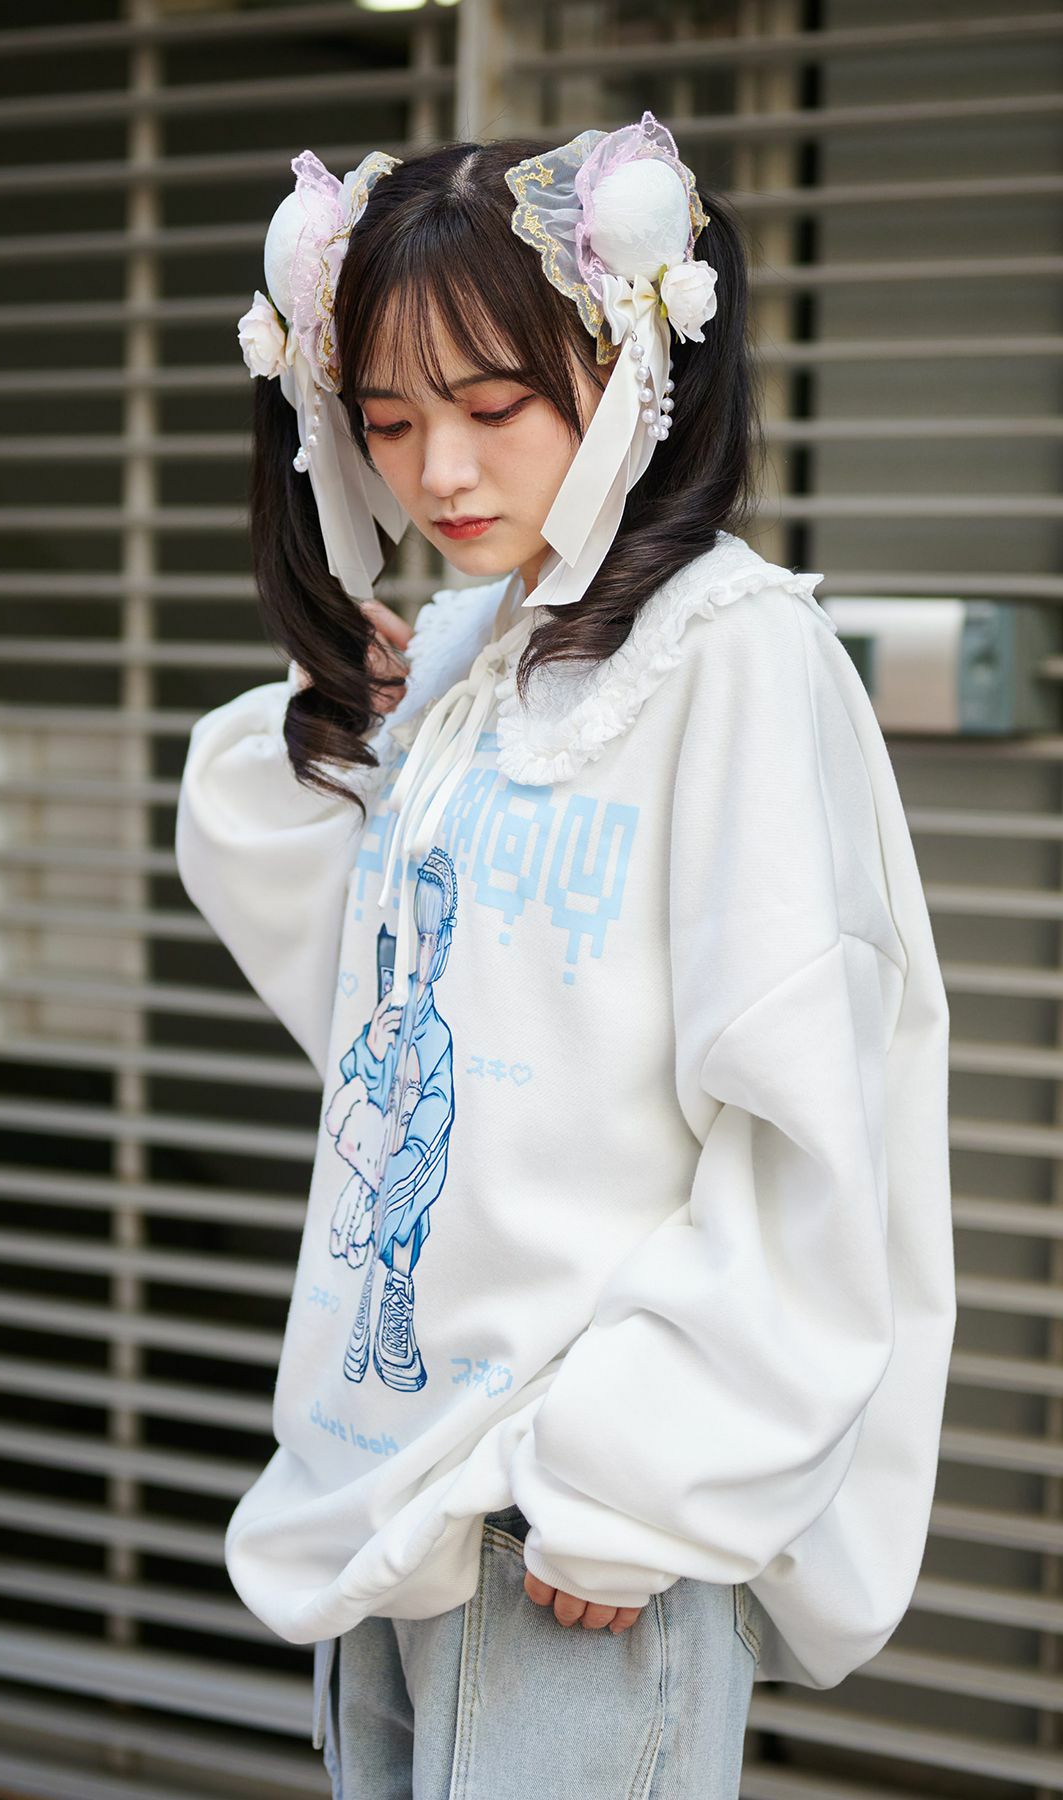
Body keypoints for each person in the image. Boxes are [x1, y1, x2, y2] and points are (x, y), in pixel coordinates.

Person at [176, 111, 956, 1800]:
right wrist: (329, 703)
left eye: (494, 407)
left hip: (573, 1528)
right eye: (388, 422)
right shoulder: (476, 653)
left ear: (630, 369)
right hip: (395, 1492)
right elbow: (355, 971)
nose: (438, 474)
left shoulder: (733, 654)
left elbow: (804, 1124)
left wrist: (635, 1484)